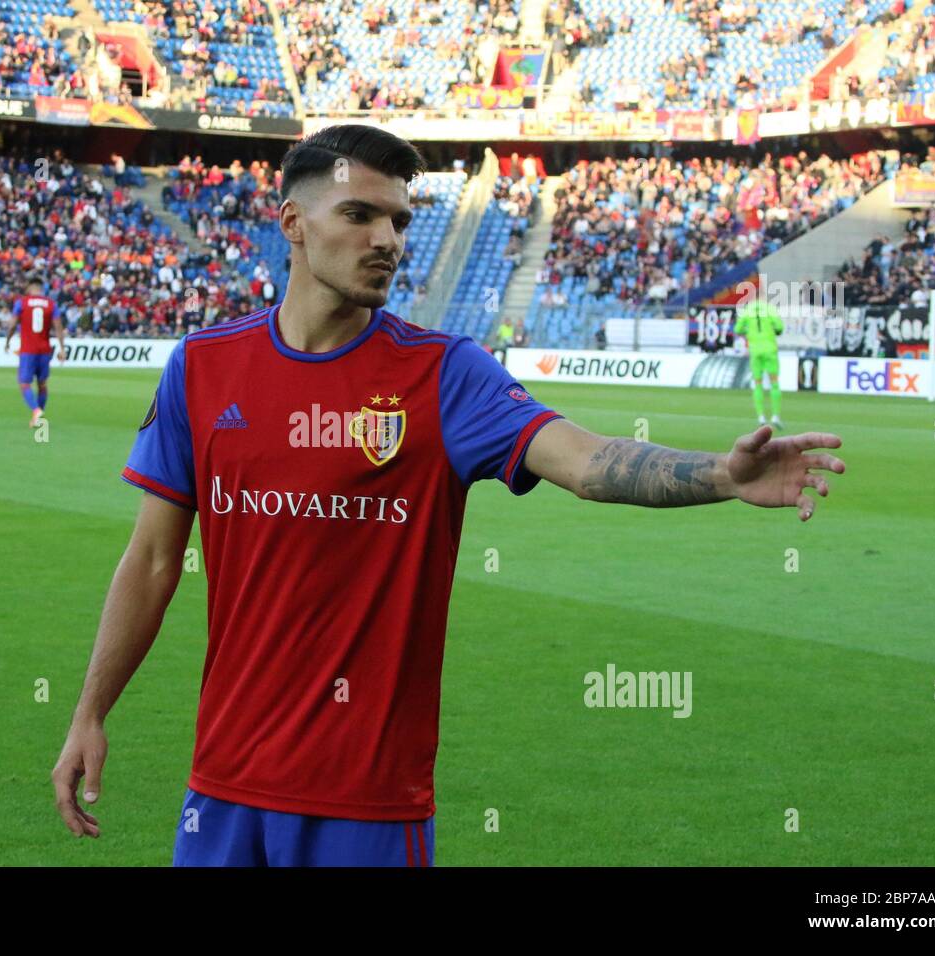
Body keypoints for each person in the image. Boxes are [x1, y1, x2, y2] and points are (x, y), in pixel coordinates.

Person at [51, 125, 846, 867]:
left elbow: (584, 459)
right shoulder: (202, 368)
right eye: (360, 215)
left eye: (399, 220)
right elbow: (154, 560)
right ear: (292, 222)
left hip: (367, 803)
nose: (388, 241)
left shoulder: (442, 375)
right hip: (222, 785)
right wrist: (90, 710)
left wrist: (719, 474)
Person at [5, 278, 65, 427]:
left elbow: (12, 324)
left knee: (24, 383)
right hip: (45, 350)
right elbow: (58, 326)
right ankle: (39, 416)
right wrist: (62, 347)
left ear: (31, 287)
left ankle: (36, 410)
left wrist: (7, 340)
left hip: (28, 350)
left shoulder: (22, 302)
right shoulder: (51, 304)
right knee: (42, 384)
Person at [734, 293, 785, 428]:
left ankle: (761, 417)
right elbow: (780, 328)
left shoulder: (747, 310)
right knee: (774, 383)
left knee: (758, 384)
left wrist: (749, 331)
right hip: (770, 350)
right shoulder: (769, 308)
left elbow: (737, 329)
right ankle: (775, 416)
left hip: (755, 351)